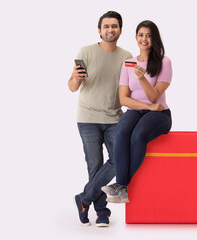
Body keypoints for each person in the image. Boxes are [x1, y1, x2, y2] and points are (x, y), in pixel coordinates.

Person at [68, 11, 132, 226]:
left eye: (114, 26)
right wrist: (75, 78)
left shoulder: (126, 57)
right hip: (88, 117)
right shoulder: (86, 52)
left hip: (115, 117)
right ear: (99, 30)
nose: (110, 30)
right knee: (94, 165)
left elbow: (130, 89)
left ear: (120, 30)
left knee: (118, 160)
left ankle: (84, 199)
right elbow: (72, 87)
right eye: (106, 26)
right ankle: (102, 212)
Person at [101, 20, 172, 203]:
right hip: (138, 110)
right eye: (141, 35)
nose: (144, 39)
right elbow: (123, 99)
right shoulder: (128, 64)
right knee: (122, 132)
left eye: (149, 35)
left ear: (155, 39)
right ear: (135, 38)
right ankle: (121, 188)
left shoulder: (164, 62)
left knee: (139, 135)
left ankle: (121, 186)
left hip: (159, 113)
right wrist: (146, 107)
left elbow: (154, 97)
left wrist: (142, 79)